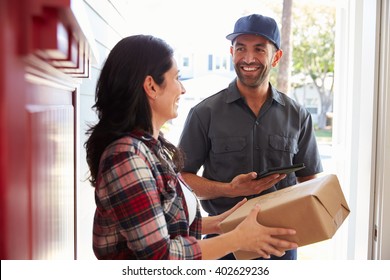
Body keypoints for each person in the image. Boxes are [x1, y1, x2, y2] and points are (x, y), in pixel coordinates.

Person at [84, 34, 298, 260]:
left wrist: (220, 223)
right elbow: (160, 258)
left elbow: (165, 225)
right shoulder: (127, 158)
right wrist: (236, 239)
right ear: (151, 86)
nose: (182, 89)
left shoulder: (150, 149)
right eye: (176, 78)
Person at [178, 14, 323, 260]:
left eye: (259, 50)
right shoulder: (204, 113)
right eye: (241, 49)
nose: (248, 58)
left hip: (280, 245)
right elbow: (181, 180)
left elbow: (309, 180)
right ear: (231, 52)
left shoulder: (298, 115)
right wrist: (229, 190)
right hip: (221, 243)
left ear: (276, 57)